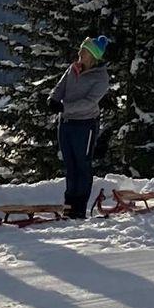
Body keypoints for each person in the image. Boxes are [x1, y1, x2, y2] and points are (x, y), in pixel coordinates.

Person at [51, 35, 112, 218]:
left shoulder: (101, 78)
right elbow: (60, 86)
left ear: (92, 56)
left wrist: (65, 107)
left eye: (84, 51)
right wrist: (53, 98)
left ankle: (79, 207)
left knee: (82, 165)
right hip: (66, 123)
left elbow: (89, 102)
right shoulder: (73, 68)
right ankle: (69, 205)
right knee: (70, 166)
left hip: (85, 125)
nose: (80, 53)